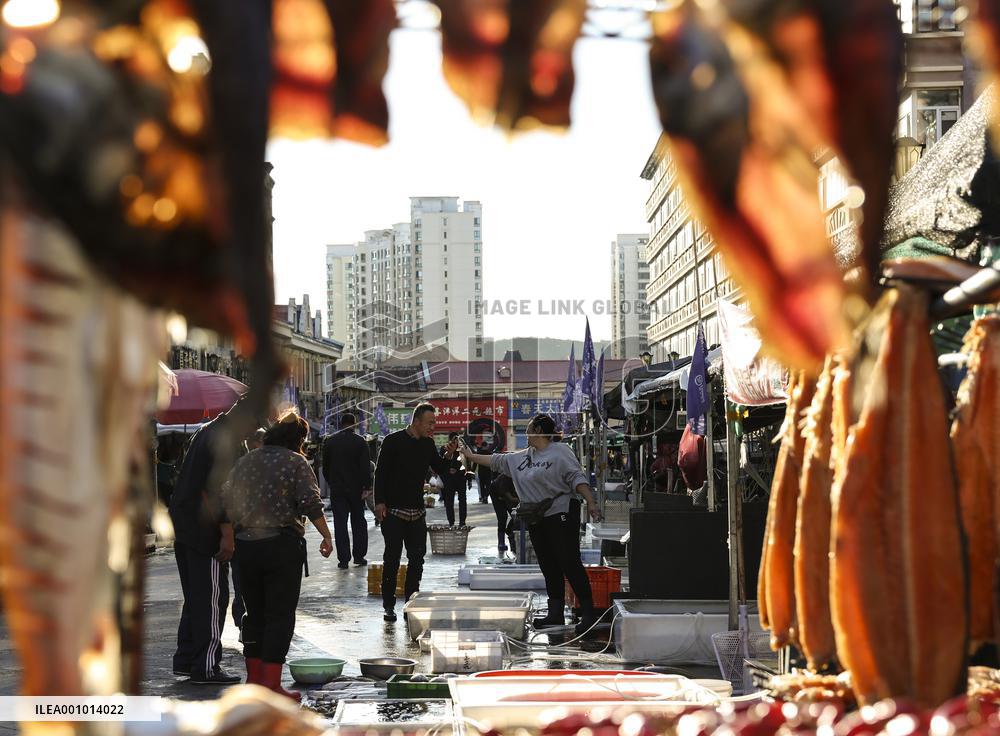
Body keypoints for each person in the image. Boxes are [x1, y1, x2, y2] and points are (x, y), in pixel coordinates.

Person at [221, 410, 334, 701]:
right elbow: (310, 502)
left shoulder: (246, 461)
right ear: (298, 439)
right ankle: (272, 686)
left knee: (254, 613)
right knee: (279, 615)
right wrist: (326, 535)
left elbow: (226, 500)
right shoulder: (294, 461)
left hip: (246, 548)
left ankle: (254, 682)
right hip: (280, 547)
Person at [462, 413, 602, 634]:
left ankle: (588, 613)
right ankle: (554, 613)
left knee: (569, 561)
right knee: (548, 565)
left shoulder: (561, 451)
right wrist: (470, 455)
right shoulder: (523, 457)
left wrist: (591, 503)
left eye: (528, 428)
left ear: (537, 429)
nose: (525, 432)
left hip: (562, 512)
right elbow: (496, 460)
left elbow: (577, 478)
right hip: (537, 517)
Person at [168, 399, 260, 685]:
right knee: (211, 600)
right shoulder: (225, 440)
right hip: (203, 532)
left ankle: (187, 660)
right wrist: (227, 534)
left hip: (184, 527)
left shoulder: (206, 431)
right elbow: (218, 492)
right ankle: (206, 668)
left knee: (197, 598)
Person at [374, 403, 459, 622]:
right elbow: (380, 474)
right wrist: (380, 502)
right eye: (430, 423)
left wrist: (449, 455)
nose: (433, 427)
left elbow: (441, 469)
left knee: (417, 559)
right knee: (391, 559)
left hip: (417, 512)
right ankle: (388, 606)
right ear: (417, 421)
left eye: (434, 423)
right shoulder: (392, 441)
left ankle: (410, 602)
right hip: (393, 511)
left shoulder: (428, 444)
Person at [321, 412, 373, 568]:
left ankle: (343, 559)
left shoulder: (330, 442)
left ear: (340, 424)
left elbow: (325, 468)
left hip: (337, 489)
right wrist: (367, 487)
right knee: (358, 522)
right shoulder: (360, 442)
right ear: (355, 424)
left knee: (340, 523)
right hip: (356, 490)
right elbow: (365, 467)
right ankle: (359, 556)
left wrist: (332, 482)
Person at [440, 431, 468, 527]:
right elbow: (441, 463)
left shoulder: (462, 449)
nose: (455, 442)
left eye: (456, 440)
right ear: (450, 440)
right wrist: (448, 471)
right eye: (453, 440)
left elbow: (467, 462)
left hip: (460, 478)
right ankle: (451, 522)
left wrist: (464, 475)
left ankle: (462, 522)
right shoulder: (444, 449)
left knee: (462, 500)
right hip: (448, 479)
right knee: (449, 502)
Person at [489, 473, 519, 557]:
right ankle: (501, 542)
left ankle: (509, 531)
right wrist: (514, 499)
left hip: (509, 492)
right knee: (502, 517)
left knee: (517, 515)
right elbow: (506, 492)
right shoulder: (508, 475)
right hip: (496, 492)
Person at [475, 438, 493, 503]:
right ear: (486, 446)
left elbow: (475, 462)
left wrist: (472, 470)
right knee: (488, 485)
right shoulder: (490, 453)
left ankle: (483, 497)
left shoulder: (478, 453)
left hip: (481, 471)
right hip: (488, 471)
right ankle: (486, 496)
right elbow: (493, 463)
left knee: (481, 485)